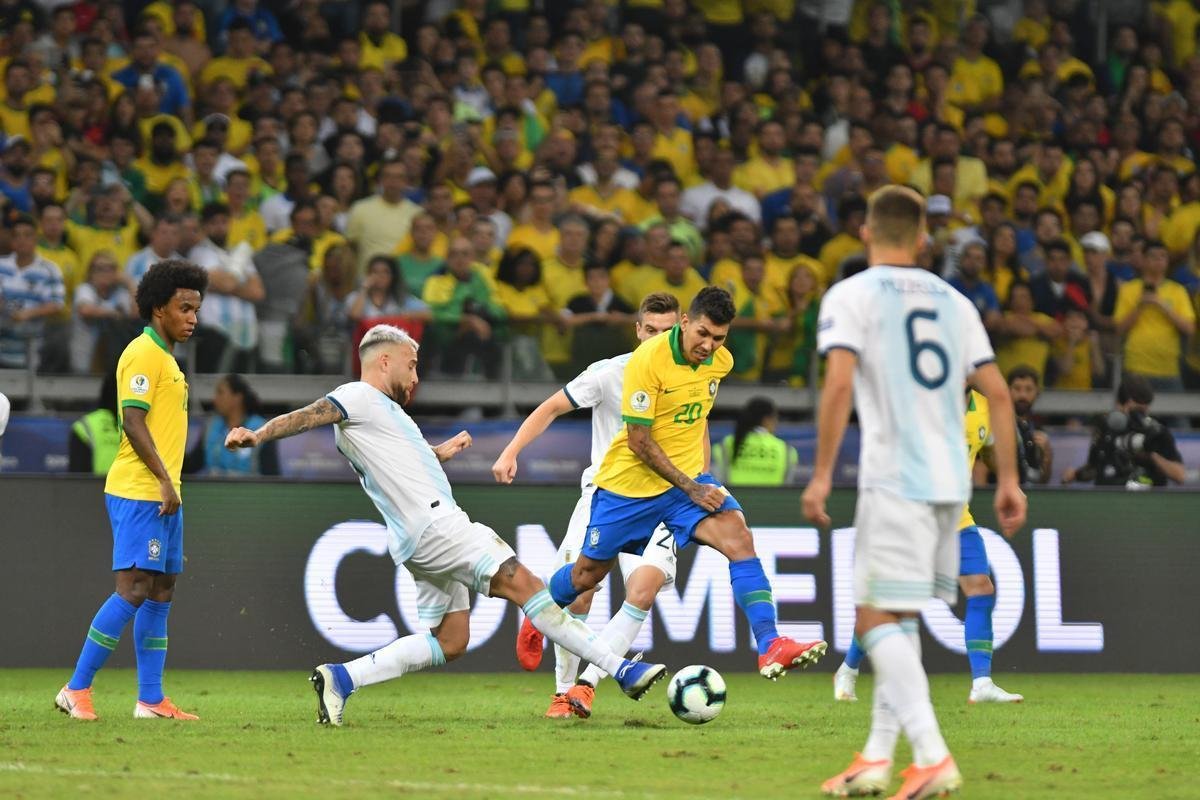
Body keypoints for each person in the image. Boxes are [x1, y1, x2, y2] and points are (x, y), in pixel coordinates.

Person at [223, 324, 666, 726]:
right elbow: (309, 414)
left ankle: (342, 678)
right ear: (384, 361)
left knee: (451, 640)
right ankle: (619, 669)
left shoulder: (382, 413)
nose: (416, 377)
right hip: (438, 526)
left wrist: (437, 452)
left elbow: (396, 459)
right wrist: (258, 435)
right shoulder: (357, 396)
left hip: (417, 540)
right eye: (411, 366)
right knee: (527, 585)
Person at [803, 186, 1025, 798]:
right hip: (952, 486)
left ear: (866, 233)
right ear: (925, 237)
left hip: (895, 475)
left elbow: (839, 385)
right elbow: (1001, 395)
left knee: (873, 615)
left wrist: (821, 474)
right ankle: (876, 758)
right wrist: (1007, 480)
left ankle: (931, 755)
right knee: (897, 616)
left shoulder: (850, 295)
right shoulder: (956, 302)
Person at [542, 286, 828, 681]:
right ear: (685, 322)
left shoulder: (719, 363)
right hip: (629, 487)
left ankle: (770, 644)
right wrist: (692, 487)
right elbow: (640, 442)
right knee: (586, 577)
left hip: (684, 485)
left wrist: (699, 479)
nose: (709, 346)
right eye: (703, 334)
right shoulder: (647, 361)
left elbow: (696, 420)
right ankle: (538, 609)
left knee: (739, 538)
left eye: (719, 338)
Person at [491, 292, 681, 719]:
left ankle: (584, 686)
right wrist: (511, 451)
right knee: (579, 597)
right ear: (637, 331)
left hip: (664, 500)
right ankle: (560, 684)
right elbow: (553, 406)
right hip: (606, 495)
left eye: (667, 332)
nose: (657, 339)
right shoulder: (609, 374)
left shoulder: (691, 379)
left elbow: (698, 434)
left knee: (643, 591)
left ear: (680, 331)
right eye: (650, 330)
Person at [56, 259, 209, 722]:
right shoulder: (142, 353)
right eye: (184, 308)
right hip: (140, 488)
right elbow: (133, 419)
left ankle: (150, 699)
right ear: (158, 308)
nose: (192, 318)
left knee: (161, 590)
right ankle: (76, 688)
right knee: (135, 587)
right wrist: (164, 478)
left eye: (196, 309)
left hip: (164, 490)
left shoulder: (167, 360)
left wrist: (170, 483)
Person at [833, 387, 1025, 707]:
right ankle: (848, 669)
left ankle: (982, 683)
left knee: (980, 587)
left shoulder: (985, 408)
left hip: (956, 516)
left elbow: (988, 448)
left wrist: (1009, 481)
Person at [1062, 376, 1185, 487]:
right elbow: (1094, 468)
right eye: (1135, 410)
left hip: (1146, 502)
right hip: (1107, 500)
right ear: (1119, 404)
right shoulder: (1105, 428)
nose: (1139, 416)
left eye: (1143, 411)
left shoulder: (1157, 433)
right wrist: (1075, 475)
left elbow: (1179, 475)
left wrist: (1152, 457)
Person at [183, 374, 278, 476]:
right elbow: (193, 464)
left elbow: (272, 476)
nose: (215, 399)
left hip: (250, 490)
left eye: (220, 393)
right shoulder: (211, 426)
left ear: (237, 398)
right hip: (215, 490)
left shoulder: (262, 429)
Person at [711, 397, 798, 487]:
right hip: (772, 501)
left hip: (733, 500)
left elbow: (717, 482)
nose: (776, 422)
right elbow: (787, 486)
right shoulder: (787, 450)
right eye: (776, 418)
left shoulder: (724, 445)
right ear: (767, 419)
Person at [1008, 365, 1053, 485]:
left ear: (1037, 392)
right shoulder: (996, 426)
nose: (1023, 395)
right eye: (1017, 389)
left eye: (1028, 389)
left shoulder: (1038, 430)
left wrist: (1047, 455)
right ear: (1007, 390)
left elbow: (1043, 482)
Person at [69, 372, 121, 475]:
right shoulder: (84, 428)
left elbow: (76, 483)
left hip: (100, 489)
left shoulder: (85, 425)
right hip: (127, 489)